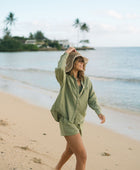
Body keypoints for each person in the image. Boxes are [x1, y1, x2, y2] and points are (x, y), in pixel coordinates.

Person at [51, 47, 105, 170]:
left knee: (69, 151)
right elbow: (60, 68)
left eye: (83, 62)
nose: (82, 64)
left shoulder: (87, 81)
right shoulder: (65, 79)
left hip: (79, 123)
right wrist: (67, 53)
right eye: (79, 61)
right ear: (72, 62)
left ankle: (56, 168)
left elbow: (92, 98)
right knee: (82, 156)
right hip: (67, 121)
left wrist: (98, 112)